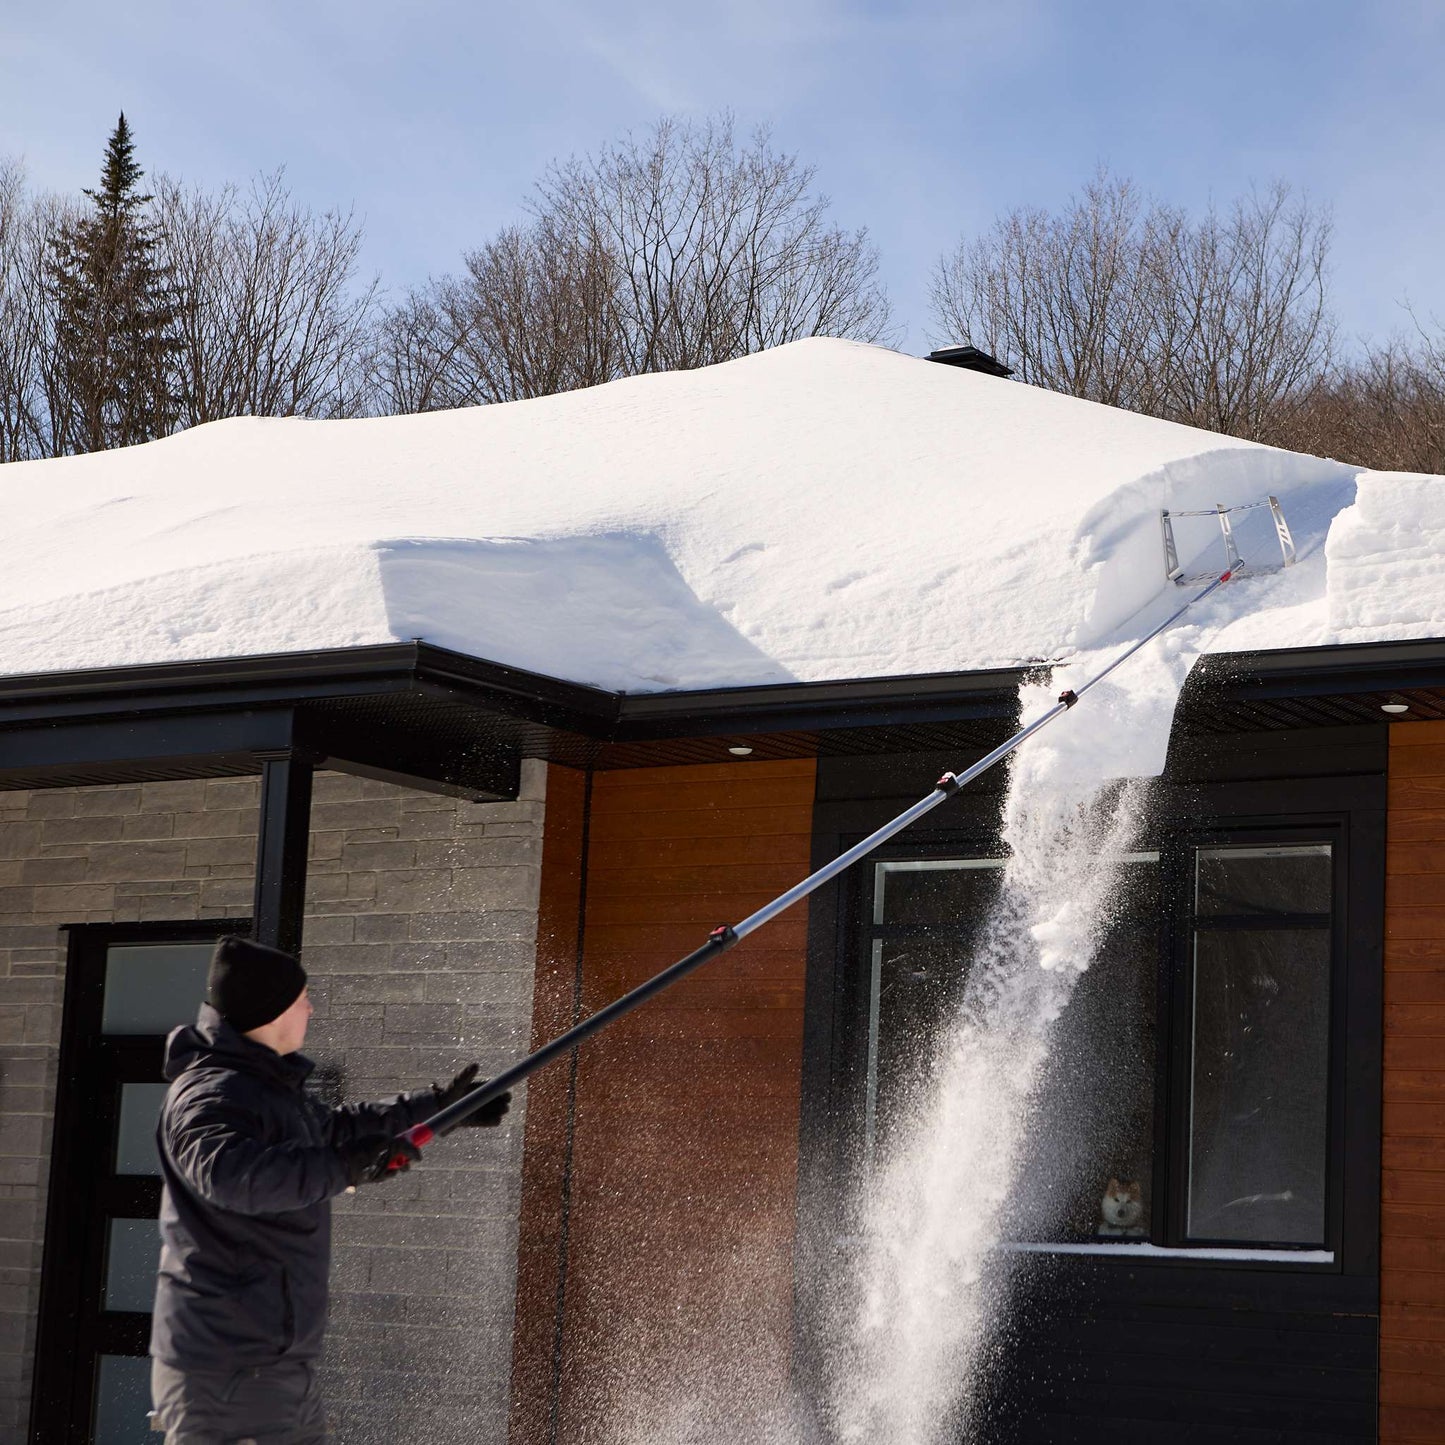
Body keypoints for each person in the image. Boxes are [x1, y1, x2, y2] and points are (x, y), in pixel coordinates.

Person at [148, 935, 510, 1443]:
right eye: (301, 1000)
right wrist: (349, 1168)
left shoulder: (260, 1087)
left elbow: (340, 1130)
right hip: (229, 1367)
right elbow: (234, 1176)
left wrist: (442, 1109)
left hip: (272, 1362)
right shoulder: (210, 1092)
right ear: (271, 1011)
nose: (310, 1008)